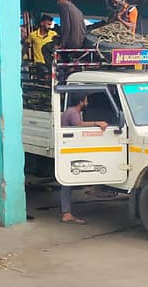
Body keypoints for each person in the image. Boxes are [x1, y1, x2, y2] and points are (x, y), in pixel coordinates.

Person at [59, 93, 108, 224]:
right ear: (81, 102)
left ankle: (91, 189)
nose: (87, 102)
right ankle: (66, 213)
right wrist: (97, 123)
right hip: (69, 148)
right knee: (67, 182)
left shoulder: (71, 111)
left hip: (70, 148)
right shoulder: (73, 112)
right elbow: (78, 125)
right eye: (86, 100)